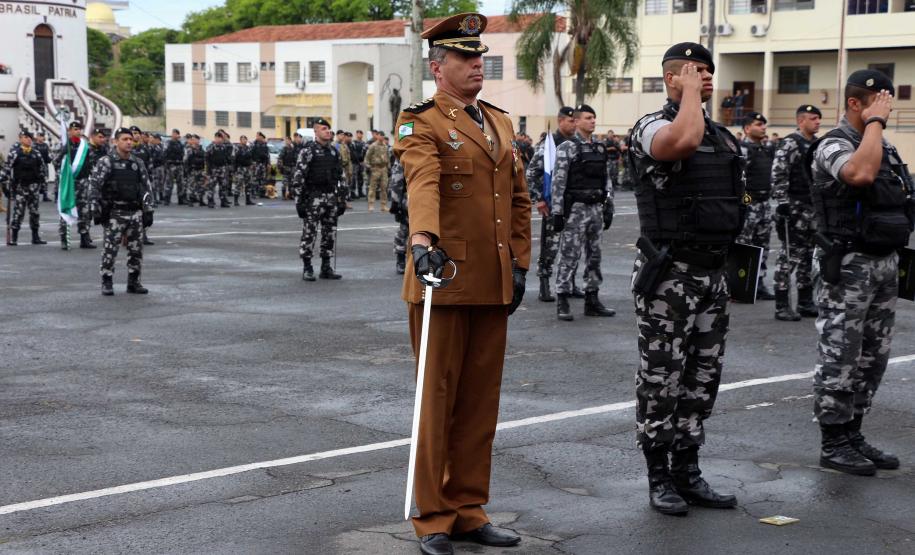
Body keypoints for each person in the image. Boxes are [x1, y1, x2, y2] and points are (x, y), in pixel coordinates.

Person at [393, 13, 531, 555]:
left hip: (493, 281)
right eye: (464, 57)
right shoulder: (420, 121)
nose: (476, 65)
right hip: (442, 278)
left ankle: (469, 509)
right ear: (438, 67)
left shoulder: (498, 121)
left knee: (479, 403)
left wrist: (520, 262)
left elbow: (517, 199)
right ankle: (432, 516)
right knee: (437, 401)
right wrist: (421, 239)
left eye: (479, 57)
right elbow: (423, 182)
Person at [628, 42, 741, 516]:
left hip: (713, 273)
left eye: (709, 70)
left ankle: (687, 470)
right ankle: (659, 475)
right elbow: (682, 143)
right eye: (695, 70)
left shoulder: (723, 137)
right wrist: (690, 94)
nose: (706, 76)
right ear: (671, 78)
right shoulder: (650, 126)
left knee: (702, 378)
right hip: (670, 276)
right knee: (662, 378)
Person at [809, 70, 910, 476]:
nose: (886, 109)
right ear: (855, 103)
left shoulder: (884, 146)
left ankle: (853, 432)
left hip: (883, 261)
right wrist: (875, 123)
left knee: (873, 356)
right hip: (848, 263)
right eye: (878, 102)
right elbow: (859, 175)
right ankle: (833, 441)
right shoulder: (833, 144)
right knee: (841, 353)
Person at [550, 104, 616, 320]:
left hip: (596, 208)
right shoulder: (567, 148)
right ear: (577, 121)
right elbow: (558, 182)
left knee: (595, 255)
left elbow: (606, 180)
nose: (592, 121)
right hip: (575, 209)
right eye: (588, 118)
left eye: (594, 117)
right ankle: (562, 299)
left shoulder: (599, 148)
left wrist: (609, 206)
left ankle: (592, 299)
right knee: (569, 255)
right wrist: (557, 213)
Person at [89, 127, 155, 295]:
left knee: (136, 250)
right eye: (125, 139)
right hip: (115, 213)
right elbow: (95, 185)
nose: (129, 142)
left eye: (130, 139)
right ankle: (107, 281)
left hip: (135, 212)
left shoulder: (137, 163)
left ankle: (134, 282)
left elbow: (146, 187)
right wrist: (95, 208)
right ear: (116, 141)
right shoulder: (106, 161)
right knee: (110, 249)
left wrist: (148, 210)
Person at [772, 105, 822, 321]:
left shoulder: (817, 144)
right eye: (813, 118)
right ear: (801, 121)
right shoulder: (791, 143)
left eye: (819, 118)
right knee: (789, 256)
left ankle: (805, 302)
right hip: (794, 209)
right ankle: (782, 305)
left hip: (812, 210)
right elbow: (779, 173)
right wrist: (782, 202)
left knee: (808, 257)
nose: (818, 122)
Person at [525, 106, 576, 302]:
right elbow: (531, 173)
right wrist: (538, 199)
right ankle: (544, 284)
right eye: (570, 121)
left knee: (572, 246)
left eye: (575, 120)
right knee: (550, 247)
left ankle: (570, 283)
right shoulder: (549, 144)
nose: (574, 124)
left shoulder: (577, 143)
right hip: (553, 204)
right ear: (561, 120)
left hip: (574, 204)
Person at [293, 118, 344, 281]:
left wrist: (342, 198)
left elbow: (340, 176)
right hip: (313, 198)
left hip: (330, 197)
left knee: (330, 233)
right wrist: (299, 202)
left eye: (328, 129)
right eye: (323, 129)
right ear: (315, 132)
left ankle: (326, 267)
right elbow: (299, 178)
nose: (327, 132)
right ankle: (307, 267)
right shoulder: (308, 151)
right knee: (310, 233)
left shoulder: (334, 152)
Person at [736, 112, 776, 300]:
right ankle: (740, 286)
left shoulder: (765, 150)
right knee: (744, 246)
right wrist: (743, 204)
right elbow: (738, 180)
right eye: (758, 124)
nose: (763, 128)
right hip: (749, 205)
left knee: (762, 246)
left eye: (764, 124)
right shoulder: (743, 150)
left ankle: (758, 284)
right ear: (747, 128)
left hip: (764, 204)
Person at [56, 125, 109, 249]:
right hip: (69, 183)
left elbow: (91, 163)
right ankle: (64, 239)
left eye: (79, 129)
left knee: (84, 211)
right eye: (75, 129)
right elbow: (56, 162)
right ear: (69, 131)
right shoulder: (65, 146)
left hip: (83, 183)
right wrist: (63, 174)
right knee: (66, 209)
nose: (78, 131)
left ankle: (84, 238)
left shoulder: (84, 146)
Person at [1, 130, 48, 245]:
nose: (28, 139)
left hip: (34, 187)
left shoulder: (36, 153)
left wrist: (43, 186)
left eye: (30, 137)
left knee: (34, 212)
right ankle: (14, 237)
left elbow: (42, 170)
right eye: (25, 137)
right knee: (18, 212)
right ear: (20, 139)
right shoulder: (15, 153)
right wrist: (4, 183)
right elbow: (7, 169)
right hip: (20, 188)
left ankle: (35, 237)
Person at [388, 158, 409, 273]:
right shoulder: (404, 155)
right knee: (405, 229)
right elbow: (397, 180)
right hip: (410, 198)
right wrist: (396, 203)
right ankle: (401, 258)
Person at [205, 131, 234, 208]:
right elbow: (207, 158)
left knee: (223, 186)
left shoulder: (224, 147)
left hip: (222, 169)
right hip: (213, 169)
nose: (219, 139)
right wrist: (208, 170)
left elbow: (228, 157)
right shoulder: (211, 147)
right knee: (211, 186)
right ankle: (210, 201)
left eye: (220, 138)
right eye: (218, 138)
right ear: (215, 138)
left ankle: (223, 201)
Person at [366, 130, 390, 212]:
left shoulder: (385, 146)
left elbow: (387, 157)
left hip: (383, 169)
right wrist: (368, 167)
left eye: (383, 135)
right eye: (380, 135)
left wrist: (388, 167)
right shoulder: (373, 146)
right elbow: (367, 157)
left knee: (384, 188)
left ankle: (383, 205)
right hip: (375, 168)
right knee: (372, 188)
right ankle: (371, 205)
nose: (382, 137)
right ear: (377, 136)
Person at [163, 129, 185, 206]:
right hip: (171, 165)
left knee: (180, 183)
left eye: (176, 134)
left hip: (179, 164)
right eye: (174, 133)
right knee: (169, 183)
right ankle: (167, 199)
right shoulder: (168, 143)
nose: (175, 135)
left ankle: (181, 199)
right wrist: (166, 164)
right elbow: (164, 153)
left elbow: (183, 154)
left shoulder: (180, 144)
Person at [183, 134, 206, 206]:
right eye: (192, 139)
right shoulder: (189, 149)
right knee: (191, 185)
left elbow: (205, 158)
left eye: (195, 139)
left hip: (200, 169)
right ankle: (191, 200)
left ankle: (201, 200)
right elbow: (186, 160)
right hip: (192, 169)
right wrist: (187, 169)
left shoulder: (201, 149)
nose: (194, 141)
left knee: (201, 185)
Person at [234, 135, 254, 206]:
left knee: (248, 184)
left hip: (247, 168)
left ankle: (248, 200)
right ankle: (236, 201)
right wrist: (235, 169)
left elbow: (251, 157)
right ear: (240, 140)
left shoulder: (248, 148)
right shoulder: (237, 148)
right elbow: (234, 159)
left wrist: (251, 164)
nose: (244, 140)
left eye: (245, 139)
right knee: (238, 184)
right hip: (240, 168)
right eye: (242, 139)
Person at [33, 131, 52, 202]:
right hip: (36, 166)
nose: (41, 137)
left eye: (42, 136)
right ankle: (35, 196)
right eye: (39, 136)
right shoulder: (34, 146)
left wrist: (50, 159)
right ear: (37, 137)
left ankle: (45, 196)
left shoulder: (45, 145)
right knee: (36, 181)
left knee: (45, 181)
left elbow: (47, 155)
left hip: (44, 165)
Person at [251, 131, 270, 198]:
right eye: (257, 136)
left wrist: (268, 163)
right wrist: (251, 163)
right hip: (256, 163)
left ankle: (262, 192)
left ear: (261, 137)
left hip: (263, 164)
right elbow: (251, 154)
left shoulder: (265, 145)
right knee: (255, 178)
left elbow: (267, 155)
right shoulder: (254, 144)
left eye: (258, 136)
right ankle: (254, 192)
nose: (257, 137)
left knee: (263, 178)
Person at [279, 135, 299, 200]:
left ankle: (291, 195)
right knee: (285, 183)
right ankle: (284, 195)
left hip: (292, 167)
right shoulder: (284, 149)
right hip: (286, 167)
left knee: (292, 182)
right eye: (286, 140)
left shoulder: (293, 149)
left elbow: (296, 158)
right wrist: (281, 167)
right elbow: (280, 158)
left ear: (290, 141)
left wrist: (296, 167)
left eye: (288, 140)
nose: (287, 141)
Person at [350, 130, 368, 199]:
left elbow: (366, 153)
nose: (359, 135)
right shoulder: (353, 143)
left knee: (361, 177)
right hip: (355, 163)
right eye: (358, 134)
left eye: (361, 134)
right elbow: (353, 153)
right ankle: (353, 192)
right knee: (354, 178)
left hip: (362, 163)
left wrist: (363, 161)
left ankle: (360, 192)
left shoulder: (364, 143)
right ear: (356, 134)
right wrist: (357, 161)